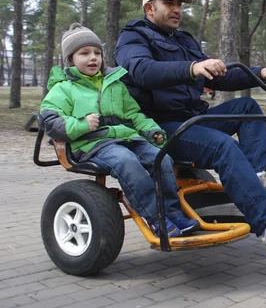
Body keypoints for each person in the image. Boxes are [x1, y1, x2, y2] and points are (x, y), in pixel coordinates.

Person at [114, 0, 266, 256]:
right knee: (222, 146)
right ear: (150, 8)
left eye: (180, 4)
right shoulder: (133, 37)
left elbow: (218, 75)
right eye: (170, 4)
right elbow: (142, 70)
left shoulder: (183, 40)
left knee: (246, 108)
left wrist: (260, 72)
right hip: (160, 126)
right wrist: (192, 68)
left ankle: (259, 176)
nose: (177, 10)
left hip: (191, 118)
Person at [40, 23, 200, 239]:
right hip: (91, 144)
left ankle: (172, 212)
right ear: (70, 59)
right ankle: (156, 219)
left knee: (161, 158)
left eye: (97, 52)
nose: (93, 58)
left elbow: (133, 114)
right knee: (126, 161)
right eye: (84, 53)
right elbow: (50, 121)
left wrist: (151, 130)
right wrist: (82, 124)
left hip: (124, 138)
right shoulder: (63, 88)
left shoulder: (114, 83)